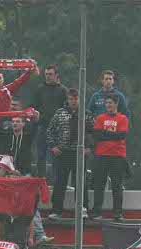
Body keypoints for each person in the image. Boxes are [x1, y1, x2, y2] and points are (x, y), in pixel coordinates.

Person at [47, 88, 94, 220]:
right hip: (62, 152)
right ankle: (56, 210)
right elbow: (50, 130)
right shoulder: (60, 113)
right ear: (68, 99)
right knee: (60, 181)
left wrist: (89, 147)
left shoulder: (86, 114)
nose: (74, 101)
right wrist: (53, 146)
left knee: (80, 181)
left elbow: (92, 132)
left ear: (80, 99)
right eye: (71, 99)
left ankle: (82, 208)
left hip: (79, 153)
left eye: (76, 98)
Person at [90, 94, 128, 221]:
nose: (108, 106)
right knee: (99, 184)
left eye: (111, 103)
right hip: (102, 155)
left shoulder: (123, 118)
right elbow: (96, 134)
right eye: (107, 103)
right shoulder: (100, 118)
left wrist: (105, 134)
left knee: (117, 185)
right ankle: (96, 211)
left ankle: (117, 212)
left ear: (116, 104)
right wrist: (112, 134)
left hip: (118, 156)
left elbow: (121, 135)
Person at [31, 65, 67, 178]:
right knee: (40, 155)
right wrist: (34, 115)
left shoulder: (62, 90)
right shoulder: (39, 89)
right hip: (42, 126)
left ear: (56, 75)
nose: (48, 76)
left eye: (50, 74)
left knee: (56, 156)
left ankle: (56, 181)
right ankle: (41, 180)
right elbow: (33, 106)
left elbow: (66, 108)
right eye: (46, 74)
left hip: (57, 129)